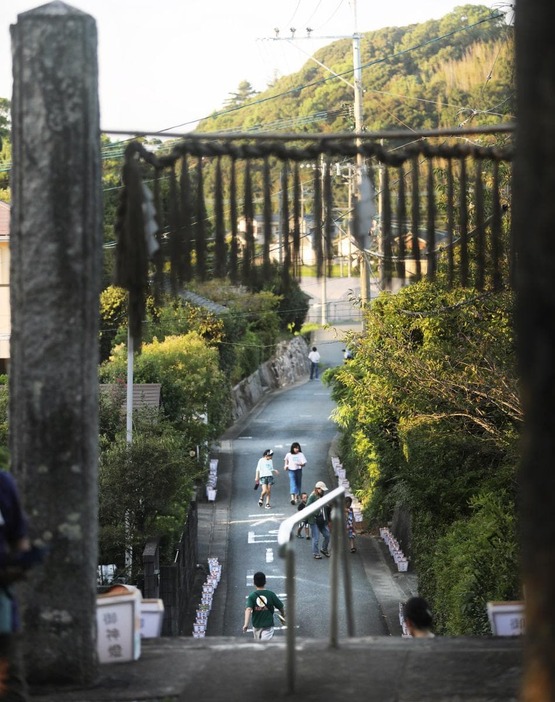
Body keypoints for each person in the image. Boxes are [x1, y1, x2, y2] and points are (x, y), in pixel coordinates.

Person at [0, 470, 31, 702]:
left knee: (11, 688)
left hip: (2, 615)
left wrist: (19, 565)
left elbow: (20, 540)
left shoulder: (3, 483)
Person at [243, 571, 285, 641]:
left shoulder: (252, 596)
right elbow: (280, 607)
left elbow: (248, 609)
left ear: (254, 583)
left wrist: (246, 624)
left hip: (256, 625)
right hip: (268, 625)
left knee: (259, 644)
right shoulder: (271, 594)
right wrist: (283, 614)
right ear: (265, 582)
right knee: (264, 645)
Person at [306, 481, 331, 559]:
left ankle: (324, 549)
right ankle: (315, 553)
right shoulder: (312, 496)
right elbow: (307, 507)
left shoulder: (321, 496)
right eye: (322, 489)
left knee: (327, 535)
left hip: (322, 520)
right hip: (314, 520)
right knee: (316, 537)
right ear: (317, 489)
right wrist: (315, 513)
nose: (323, 491)